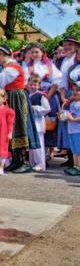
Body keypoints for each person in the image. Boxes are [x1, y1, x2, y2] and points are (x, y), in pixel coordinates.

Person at [0, 45, 40, 173]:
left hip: (17, 98)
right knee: (13, 128)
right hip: (11, 97)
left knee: (20, 126)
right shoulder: (8, 68)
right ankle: (16, 161)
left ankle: (24, 162)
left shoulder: (12, 68)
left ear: (3, 55)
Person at [57, 37, 80, 168]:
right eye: (65, 45)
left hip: (77, 95)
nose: (67, 47)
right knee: (70, 128)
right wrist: (63, 97)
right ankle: (73, 159)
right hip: (71, 95)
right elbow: (62, 82)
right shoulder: (66, 62)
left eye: (70, 45)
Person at [26, 74, 51, 171]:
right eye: (31, 84)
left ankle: (40, 164)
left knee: (38, 145)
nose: (33, 86)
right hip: (30, 123)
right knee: (32, 145)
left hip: (38, 123)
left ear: (39, 85)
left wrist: (35, 108)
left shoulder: (41, 96)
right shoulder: (27, 95)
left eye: (35, 85)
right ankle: (32, 163)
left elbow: (47, 109)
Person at [63, 83, 80, 176]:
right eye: (73, 90)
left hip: (78, 130)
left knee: (79, 150)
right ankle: (75, 165)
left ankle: (79, 167)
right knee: (74, 150)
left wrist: (73, 119)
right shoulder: (72, 103)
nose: (74, 92)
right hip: (71, 130)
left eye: (77, 90)